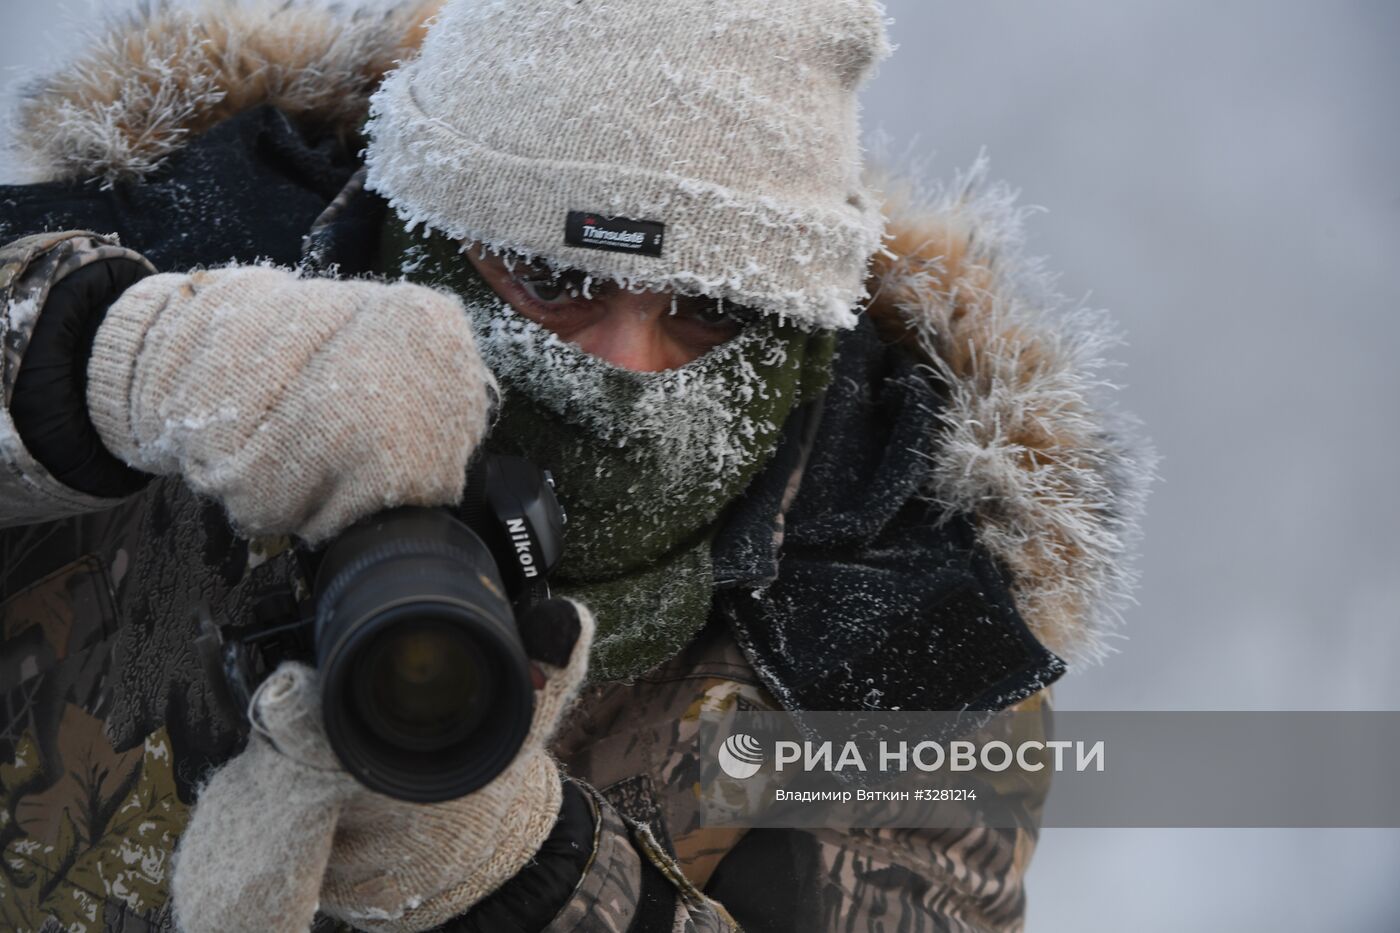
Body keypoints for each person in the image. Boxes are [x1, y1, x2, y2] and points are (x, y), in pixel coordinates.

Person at [0, 1, 1153, 931]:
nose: (622, 373)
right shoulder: (166, 264)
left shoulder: (910, 640)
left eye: (705, 309)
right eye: (550, 281)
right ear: (414, 234)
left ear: (805, 343)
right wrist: (92, 360)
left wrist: (534, 879)